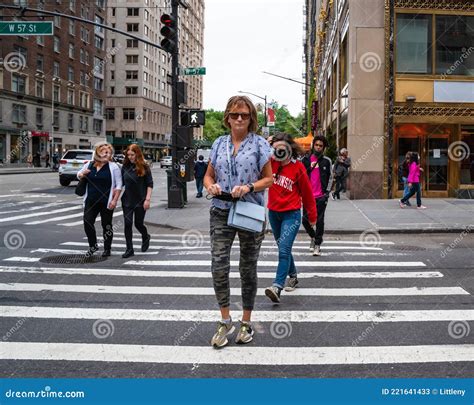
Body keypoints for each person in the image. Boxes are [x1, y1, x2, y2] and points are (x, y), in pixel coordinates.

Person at [204, 95, 273, 348]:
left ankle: (246, 321)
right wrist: (211, 187)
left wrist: (248, 187)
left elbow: (269, 179)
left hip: (249, 211)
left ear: (251, 117)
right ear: (227, 118)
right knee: (218, 265)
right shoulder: (219, 143)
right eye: (234, 115)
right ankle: (225, 319)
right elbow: (208, 176)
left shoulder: (259, 144)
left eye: (244, 114)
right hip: (221, 209)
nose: (239, 118)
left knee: (247, 268)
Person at [264, 133, 316, 303]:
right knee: (283, 247)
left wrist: (312, 216)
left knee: (284, 250)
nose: (278, 151)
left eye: (282, 148)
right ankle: (293, 276)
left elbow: (308, 194)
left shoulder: (298, 168)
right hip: (273, 213)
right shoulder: (270, 163)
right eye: (275, 148)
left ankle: (277, 286)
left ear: (289, 149)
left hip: (291, 214)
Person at [77, 142, 122, 257]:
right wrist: (82, 174)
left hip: (106, 201)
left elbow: (118, 185)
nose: (107, 154)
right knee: (87, 221)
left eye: (109, 152)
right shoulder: (89, 165)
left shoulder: (113, 167)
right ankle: (93, 246)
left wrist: (114, 200)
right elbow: (78, 174)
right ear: (98, 153)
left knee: (106, 225)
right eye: (104, 152)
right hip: (91, 200)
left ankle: (107, 248)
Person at [302, 135, 333, 256]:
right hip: (308, 196)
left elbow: (331, 177)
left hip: (321, 197)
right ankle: (313, 237)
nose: (318, 147)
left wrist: (327, 193)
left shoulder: (327, 161)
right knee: (305, 220)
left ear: (323, 147)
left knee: (319, 221)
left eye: (321, 146)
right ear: (313, 145)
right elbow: (301, 177)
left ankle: (317, 244)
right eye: (316, 145)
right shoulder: (306, 160)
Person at [121, 144, 153, 259]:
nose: (130, 157)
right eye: (128, 155)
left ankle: (145, 236)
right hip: (127, 200)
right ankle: (129, 249)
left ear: (137, 154)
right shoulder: (125, 166)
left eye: (132, 155)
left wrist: (147, 200)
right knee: (127, 224)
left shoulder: (145, 166)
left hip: (141, 200)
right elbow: (120, 183)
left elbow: (150, 184)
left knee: (138, 224)